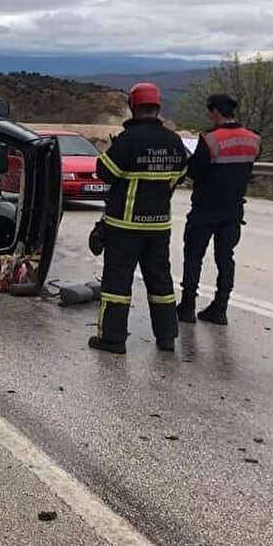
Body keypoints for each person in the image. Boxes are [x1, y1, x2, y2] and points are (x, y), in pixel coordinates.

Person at [89, 83, 189, 354]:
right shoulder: (173, 140)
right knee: (160, 281)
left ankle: (112, 338)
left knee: (117, 283)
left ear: (133, 107)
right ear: (158, 107)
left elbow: (104, 171)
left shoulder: (128, 140)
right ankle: (167, 337)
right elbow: (182, 173)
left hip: (125, 225)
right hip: (159, 225)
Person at [178, 93, 261, 325]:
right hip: (233, 209)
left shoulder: (211, 140)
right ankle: (220, 307)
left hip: (206, 208)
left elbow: (194, 171)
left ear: (215, 112)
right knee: (226, 258)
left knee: (194, 256)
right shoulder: (253, 139)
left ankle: (187, 306)